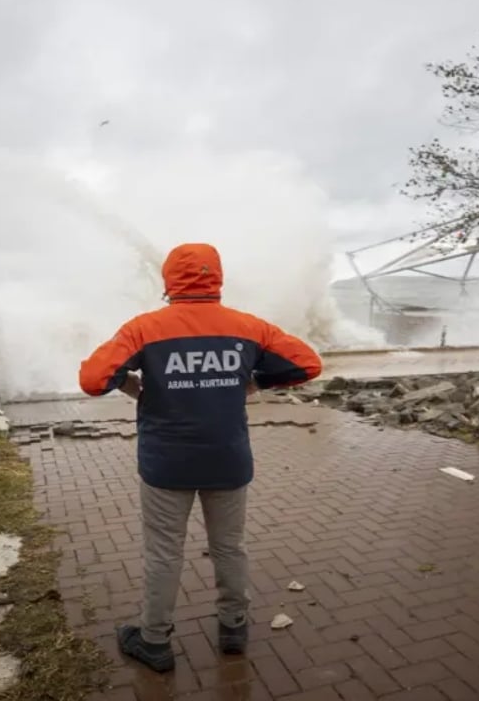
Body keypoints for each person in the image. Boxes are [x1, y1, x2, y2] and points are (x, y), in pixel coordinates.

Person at [78, 242, 323, 673]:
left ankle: (154, 640)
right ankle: (234, 628)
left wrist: (136, 388)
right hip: (228, 460)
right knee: (230, 547)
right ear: (218, 278)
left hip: (165, 464)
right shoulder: (248, 327)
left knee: (163, 553)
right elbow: (307, 364)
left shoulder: (144, 328)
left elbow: (94, 379)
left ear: (169, 281)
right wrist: (255, 383)